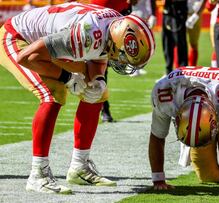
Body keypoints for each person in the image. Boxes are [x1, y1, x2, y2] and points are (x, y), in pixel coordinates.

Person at [0, 2, 155, 194]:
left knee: (98, 93)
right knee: (53, 92)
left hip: (51, 45)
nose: (123, 62)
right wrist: (67, 78)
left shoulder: (113, 28)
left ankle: (79, 167)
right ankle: (38, 174)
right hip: (18, 38)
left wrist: (98, 79)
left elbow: (98, 57)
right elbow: (27, 57)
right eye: (124, 56)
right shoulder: (87, 33)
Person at [149, 66, 219, 193]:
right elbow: (157, 136)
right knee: (208, 177)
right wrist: (158, 180)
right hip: (200, 119)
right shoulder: (165, 91)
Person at [90, 0, 139, 122]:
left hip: (119, 16)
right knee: (100, 68)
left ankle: (102, 109)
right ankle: (103, 109)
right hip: (100, 19)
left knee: (104, 66)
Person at [161, 0, 188, 77]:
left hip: (179, 11)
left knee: (180, 42)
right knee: (166, 42)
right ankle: (168, 71)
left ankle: (183, 71)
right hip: (167, 11)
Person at [185, 0, 206, 66]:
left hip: (195, 13)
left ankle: (192, 69)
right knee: (178, 43)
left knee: (193, 44)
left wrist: (197, 14)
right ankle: (178, 70)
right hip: (181, 12)